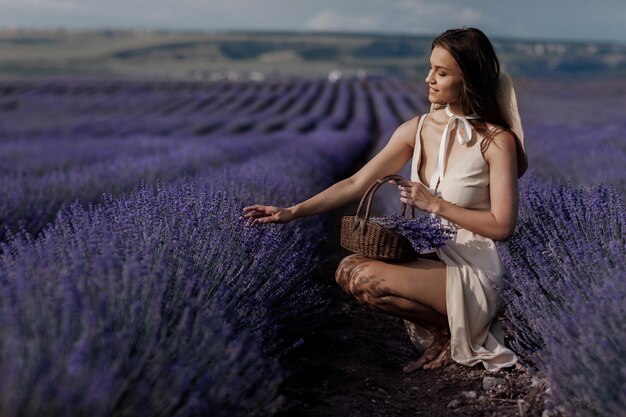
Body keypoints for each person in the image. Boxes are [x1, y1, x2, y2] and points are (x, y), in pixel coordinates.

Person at [242, 27, 528, 372]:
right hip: (432, 257)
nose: (428, 79)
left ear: (468, 79)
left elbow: (502, 227)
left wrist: (436, 205)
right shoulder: (417, 129)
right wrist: (292, 211)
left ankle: (460, 331)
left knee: (366, 277)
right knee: (348, 271)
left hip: (475, 270)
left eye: (441, 72)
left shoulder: (498, 142)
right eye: (429, 68)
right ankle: (445, 332)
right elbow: (356, 182)